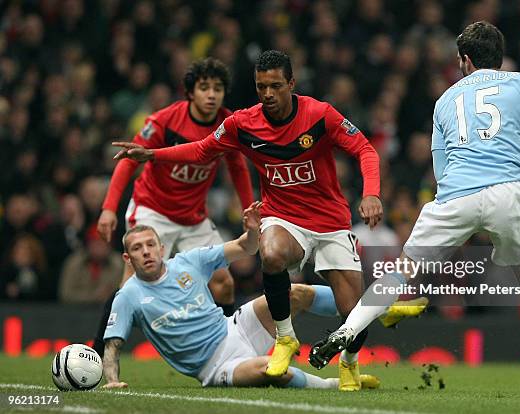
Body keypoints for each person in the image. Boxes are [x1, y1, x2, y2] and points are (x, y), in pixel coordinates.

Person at [309, 21, 520, 396]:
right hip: (508, 191)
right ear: (499, 58)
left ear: (465, 60)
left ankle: (348, 329)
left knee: (402, 271)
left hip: (455, 195)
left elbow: (440, 170)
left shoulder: (444, 100)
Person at [112, 50, 395, 391]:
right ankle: (286, 339)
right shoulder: (242, 124)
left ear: (291, 83)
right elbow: (202, 149)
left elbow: (365, 149)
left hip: (330, 221)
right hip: (283, 218)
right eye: (261, 87)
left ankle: (350, 362)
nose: (268, 94)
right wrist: (153, 155)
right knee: (271, 254)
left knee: (352, 312)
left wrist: (372, 193)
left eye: (276, 86)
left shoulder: (320, 115)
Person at [101, 204, 381, 390]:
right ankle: (333, 385)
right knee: (270, 370)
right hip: (216, 366)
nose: (146, 252)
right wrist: (111, 380)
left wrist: (250, 231)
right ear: (128, 258)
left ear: (162, 248)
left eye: (151, 245)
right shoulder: (128, 296)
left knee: (293, 293)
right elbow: (112, 345)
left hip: (235, 326)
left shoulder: (187, 262)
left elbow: (243, 248)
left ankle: (367, 309)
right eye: (138, 248)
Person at [93, 58, 254, 356]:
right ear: (190, 92)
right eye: (204, 87)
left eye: (218, 89)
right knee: (130, 286)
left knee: (224, 284)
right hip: (153, 210)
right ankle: (97, 355)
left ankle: (233, 352)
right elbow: (128, 159)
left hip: (194, 218)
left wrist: (248, 211)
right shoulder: (165, 120)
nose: (211, 95)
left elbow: (238, 167)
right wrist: (108, 207)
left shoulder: (227, 123)